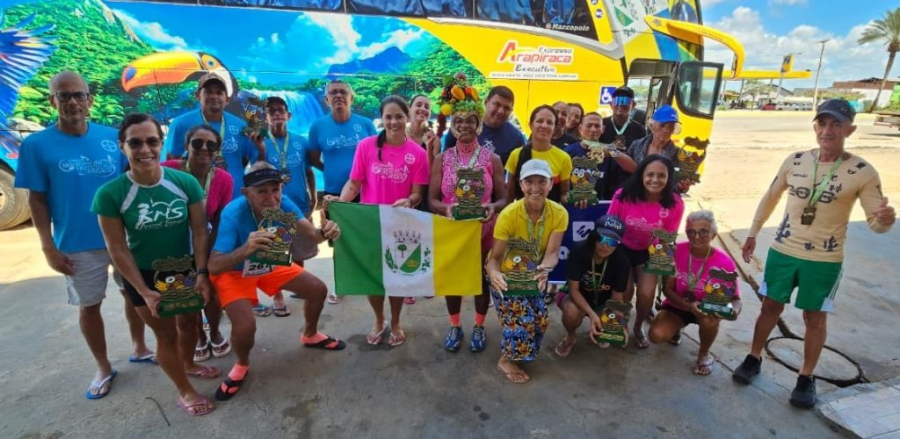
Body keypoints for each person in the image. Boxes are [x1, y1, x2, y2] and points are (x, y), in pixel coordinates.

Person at [733, 100, 895, 408]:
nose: (828, 130)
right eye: (822, 123)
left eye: (836, 124)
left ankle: (806, 377)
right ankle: (753, 357)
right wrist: (753, 233)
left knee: (814, 318)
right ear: (815, 127)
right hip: (783, 252)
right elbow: (770, 197)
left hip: (824, 259)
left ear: (850, 129)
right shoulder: (795, 161)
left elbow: (876, 222)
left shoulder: (861, 171)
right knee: (769, 307)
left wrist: (885, 220)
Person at [14, 71, 155, 400]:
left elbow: (133, 181)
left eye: (79, 94)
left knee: (133, 295)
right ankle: (104, 366)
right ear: (53, 101)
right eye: (64, 96)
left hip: (124, 239)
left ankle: (139, 347)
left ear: (90, 100)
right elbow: (37, 198)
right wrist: (48, 246)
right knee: (89, 306)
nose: (73, 101)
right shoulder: (36, 145)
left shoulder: (113, 138)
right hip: (76, 242)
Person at [93, 113, 216, 416]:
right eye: (135, 142)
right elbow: (117, 247)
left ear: (161, 144)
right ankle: (184, 391)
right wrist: (144, 291)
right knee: (165, 335)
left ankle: (187, 363)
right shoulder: (110, 194)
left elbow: (200, 231)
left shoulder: (185, 183)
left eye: (151, 141)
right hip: (141, 276)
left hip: (183, 268)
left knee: (190, 324)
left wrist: (201, 273)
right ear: (122, 146)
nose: (144, 149)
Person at [208, 162, 344, 401]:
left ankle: (310, 334)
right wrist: (246, 249)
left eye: (275, 189)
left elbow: (312, 235)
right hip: (234, 270)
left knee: (317, 289)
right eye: (262, 192)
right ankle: (241, 365)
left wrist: (327, 231)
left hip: (268, 262)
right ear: (246, 193)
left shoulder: (285, 204)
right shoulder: (233, 212)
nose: (271, 198)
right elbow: (214, 265)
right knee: (245, 326)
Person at [323, 95, 430, 347]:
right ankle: (378, 320)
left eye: (399, 116)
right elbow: (354, 183)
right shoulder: (366, 146)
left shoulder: (418, 153)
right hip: (368, 224)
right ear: (382, 119)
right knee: (374, 278)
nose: (393, 122)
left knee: (397, 278)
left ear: (407, 118)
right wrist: (340, 205)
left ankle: (395, 322)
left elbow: (418, 193)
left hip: (401, 225)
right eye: (388, 117)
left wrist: (410, 201)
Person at [428, 76, 507, 352]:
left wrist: (492, 208)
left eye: (470, 120)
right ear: (452, 124)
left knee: (481, 281)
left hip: (484, 231)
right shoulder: (443, 159)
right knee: (454, 281)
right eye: (458, 120)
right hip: (453, 230)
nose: (464, 125)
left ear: (479, 124)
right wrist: (447, 208)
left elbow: (503, 197)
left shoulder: (491, 158)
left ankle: (479, 326)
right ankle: (454, 326)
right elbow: (432, 200)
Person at [486, 159, 568, 383]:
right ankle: (506, 359)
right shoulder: (508, 215)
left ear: (551, 184)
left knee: (540, 319)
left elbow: (552, 252)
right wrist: (495, 275)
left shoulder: (559, 213)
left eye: (542, 181)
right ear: (521, 185)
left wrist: (546, 269)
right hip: (505, 275)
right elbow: (494, 259)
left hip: (532, 274)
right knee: (522, 318)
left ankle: (518, 349)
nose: (536, 188)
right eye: (529, 182)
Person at [161, 125, 233, 362]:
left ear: (217, 151)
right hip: (173, 243)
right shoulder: (168, 170)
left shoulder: (223, 179)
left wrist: (210, 256)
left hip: (207, 239)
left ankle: (214, 331)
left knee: (210, 292)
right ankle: (198, 337)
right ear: (186, 146)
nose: (204, 149)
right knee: (184, 296)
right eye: (197, 143)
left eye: (211, 145)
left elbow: (220, 217)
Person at [307, 80, 378, 304]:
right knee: (337, 240)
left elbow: (377, 157)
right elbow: (313, 158)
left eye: (343, 92)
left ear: (351, 98)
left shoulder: (366, 125)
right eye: (333, 93)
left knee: (367, 237)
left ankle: (370, 279)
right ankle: (341, 283)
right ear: (326, 100)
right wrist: (331, 171)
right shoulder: (318, 127)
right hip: (333, 195)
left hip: (365, 193)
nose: (338, 96)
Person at [649, 210, 743, 375]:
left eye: (703, 232)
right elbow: (668, 289)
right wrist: (688, 305)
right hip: (678, 305)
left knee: (709, 320)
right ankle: (676, 329)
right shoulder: (675, 251)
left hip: (707, 310)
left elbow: (736, 299)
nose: (696, 236)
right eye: (691, 232)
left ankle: (703, 353)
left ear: (713, 234)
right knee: (656, 335)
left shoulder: (724, 263)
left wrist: (734, 311)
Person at [607, 154, 684, 349]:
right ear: (641, 175)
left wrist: (663, 260)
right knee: (624, 291)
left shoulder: (675, 203)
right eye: (650, 174)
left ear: (669, 178)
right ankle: (620, 324)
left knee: (646, 293)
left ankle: (638, 326)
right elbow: (610, 227)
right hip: (621, 247)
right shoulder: (623, 195)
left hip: (649, 251)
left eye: (661, 175)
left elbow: (668, 237)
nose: (655, 180)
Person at [164, 72, 263, 199]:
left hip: (233, 197)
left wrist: (261, 148)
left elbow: (252, 160)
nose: (214, 96)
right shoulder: (180, 124)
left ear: (227, 99)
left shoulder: (241, 126)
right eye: (209, 92)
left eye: (219, 92)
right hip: (193, 197)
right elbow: (172, 161)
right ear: (198, 96)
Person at [260, 96, 318, 311]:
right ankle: (277, 296)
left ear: (288, 115)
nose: (276, 114)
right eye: (271, 111)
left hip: (300, 206)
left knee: (299, 251)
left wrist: (313, 196)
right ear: (266, 117)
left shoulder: (301, 141)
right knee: (276, 252)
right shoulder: (261, 144)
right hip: (272, 209)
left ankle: (298, 286)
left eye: (280, 110)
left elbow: (309, 171)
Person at [553, 215, 630, 357]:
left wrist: (620, 323)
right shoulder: (579, 252)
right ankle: (570, 336)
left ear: (618, 244)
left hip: (603, 301)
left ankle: (603, 330)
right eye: (602, 239)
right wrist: (592, 314)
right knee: (572, 312)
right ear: (594, 237)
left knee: (612, 319)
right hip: (575, 297)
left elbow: (617, 297)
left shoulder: (622, 261)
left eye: (612, 242)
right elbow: (574, 290)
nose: (605, 245)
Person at [443, 85, 526, 166]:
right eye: (497, 104)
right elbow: (445, 159)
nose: (501, 111)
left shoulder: (516, 138)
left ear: (511, 111)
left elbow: (518, 174)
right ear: (486, 102)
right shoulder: (463, 125)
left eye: (506, 108)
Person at [505, 105, 572, 204]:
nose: (544, 125)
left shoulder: (564, 158)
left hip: (551, 216)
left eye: (549, 122)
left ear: (554, 128)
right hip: (521, 216)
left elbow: (564, 193)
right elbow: (510, 195)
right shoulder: (516, 155)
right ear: (531, 125)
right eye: (540, 121)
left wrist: (576, 199)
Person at [563, 112, 634, 201]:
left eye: (597, 126)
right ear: (580, 128)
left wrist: (612, 152)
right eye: (589, 126)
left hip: (600, 204)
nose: (593, 129)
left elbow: (633, 168)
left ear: (603, 129)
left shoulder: (610, 150)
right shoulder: (569, 151)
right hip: (573, 203)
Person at [598, 86, 646, 196]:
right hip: (601, 180)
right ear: (611, 104)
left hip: (626, 184)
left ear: (633, 105)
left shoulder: (640, 130)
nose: (621, 104)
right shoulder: (600, 125)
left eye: (626, 101)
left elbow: (640, 161)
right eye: (617, 100)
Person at [407, 94, 440, 164]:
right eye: (418, 105)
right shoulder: (400, 136)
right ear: (409, 109)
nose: (423, 109)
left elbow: (433, 171)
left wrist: (429, 147)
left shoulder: (435, 141)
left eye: (427, 107)